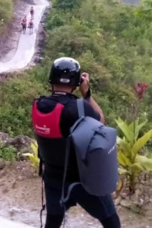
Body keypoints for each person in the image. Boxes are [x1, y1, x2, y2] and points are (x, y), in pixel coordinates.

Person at [32, 57, 120, 228]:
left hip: (52, 176)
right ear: (77, 81)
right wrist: (86, 94)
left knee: (53, 222)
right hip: (81, 178)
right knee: (111, 221)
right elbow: (100, 122)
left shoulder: (38, 105)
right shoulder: (78, 108)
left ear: (51, 79)